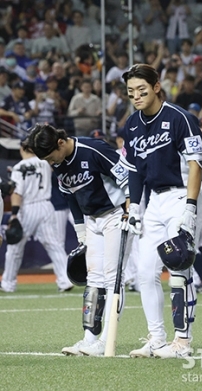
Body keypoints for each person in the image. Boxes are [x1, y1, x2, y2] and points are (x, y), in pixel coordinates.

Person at [120, 63, 202, 359]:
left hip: (182, 195)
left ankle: (182, 341)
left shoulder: (181, 118)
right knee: (145, 272)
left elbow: (196, 164)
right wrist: (133, 206)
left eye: (142, 90)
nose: (136, 97)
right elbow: (133, 170)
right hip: (154, 202)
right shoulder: (131, 125)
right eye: (131, 92)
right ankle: (156, 338)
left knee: (179, 267)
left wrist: (191, 208)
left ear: (157, 86)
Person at [23, 124, 131, 356]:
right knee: (94, 278)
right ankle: (89, 338)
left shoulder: (93, 149)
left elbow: (128, 178)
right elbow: (71, 197)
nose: (52, 163)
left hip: (116, 214)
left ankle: (107, 340)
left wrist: (131, 212)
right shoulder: (59, 162)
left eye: (51, 158)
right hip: (92, 220)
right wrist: (81, 231)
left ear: (60, 143)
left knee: (113, 277)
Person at [1, 142, 74, 294]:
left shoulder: (19, 167)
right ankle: (65, 280)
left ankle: (8, 284)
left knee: (15, 249)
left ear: (22, 148)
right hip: (47, 205)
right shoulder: (44, 162)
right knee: (54, 245)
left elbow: (17, 193)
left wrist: (14, 214)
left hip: (28, 208)